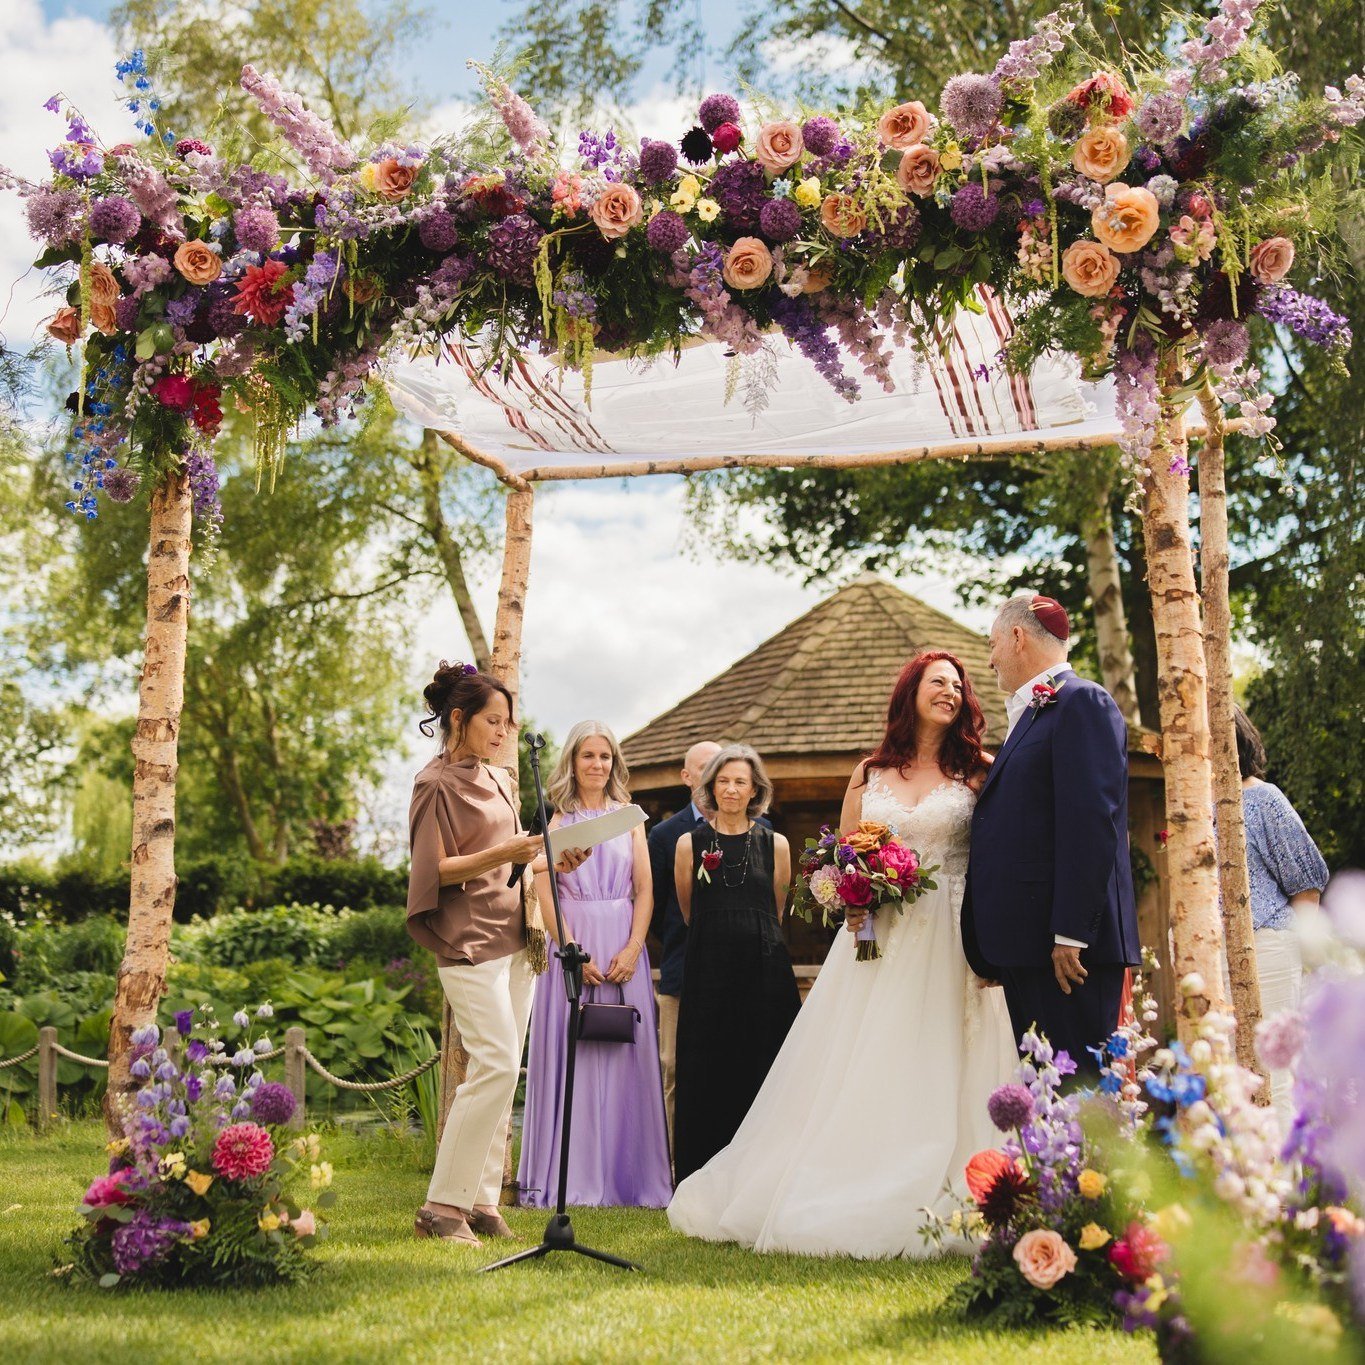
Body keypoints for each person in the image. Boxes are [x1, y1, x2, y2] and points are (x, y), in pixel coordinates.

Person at [668, 653, 1017, 1257]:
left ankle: (959, 1176)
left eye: (958, 685)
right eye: (938, 682)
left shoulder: (979, 772)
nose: (951, 692)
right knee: (866, 1051)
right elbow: (844, 854)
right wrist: (851, 899)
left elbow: (1001, 854)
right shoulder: (869, 772)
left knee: (944, 1047)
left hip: (953, 929)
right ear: (910, 693)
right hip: (878, 935)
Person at [405, 661, 586, 1245]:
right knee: (499, 1063)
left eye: (509, 722)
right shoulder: (433, 784)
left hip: (515, 937)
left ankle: (480, 1201)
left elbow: (512, 866)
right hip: (467, 940)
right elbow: (433, 871)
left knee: (501, 1073)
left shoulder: (502, 779)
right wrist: (506, 851)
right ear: (459, 718)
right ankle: (439, 1208)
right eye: (494, 721)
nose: (504, 731)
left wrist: (552, 859)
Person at [961, 593, 1141, 1077]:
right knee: (1046, 1095)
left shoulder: (1083, 702)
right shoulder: (1035, 712)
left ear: (1018, 637)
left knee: (1079, 1092)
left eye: (993, 644)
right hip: (1031, 946)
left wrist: (1071, 933)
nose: (991, 659)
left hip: (1066, 952)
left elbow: (1091, 823)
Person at [517, 721, 673, 1208]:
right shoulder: (555, 820)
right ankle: (570, 1176)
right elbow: (544, 889)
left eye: (605, 756)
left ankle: (630, 1178)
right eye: (588, 755)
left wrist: (634, 947)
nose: (597, 764)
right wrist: (568, 948)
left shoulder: (630, 818)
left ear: (614, 763)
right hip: (573, 941)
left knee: (625, 1056)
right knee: (573, 1056)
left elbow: (644, 888)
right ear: (572, 760)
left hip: (623, 943)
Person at [669, 745, 801, 1184]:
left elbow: (776, 907)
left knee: (763, 1065)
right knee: (708, 1067)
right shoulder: (688, 844)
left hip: (764, 972)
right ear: (710, 787)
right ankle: (702, 1175)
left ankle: (764, 1174)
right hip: (708, 971)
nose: (730, 789)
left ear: (754, 790)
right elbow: (688, 908)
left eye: (740, 781)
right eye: (723, 781)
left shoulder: (776, 844)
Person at [1230, 705, 1328, 1125]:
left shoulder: (1264, 799)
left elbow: (1307, 882)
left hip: (1268, 950)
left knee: (1275, 1076)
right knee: (1227, 1078)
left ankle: (1286, 1166)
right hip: (1213, 959)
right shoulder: (1190, 804)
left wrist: (1302, 959)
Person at [646, 740, 721, 1147]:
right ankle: (673, 1161)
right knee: (673, 1066)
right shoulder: (663, 835)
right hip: (681, 966)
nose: (713, 775)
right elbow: (655, 906)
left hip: (735, 970)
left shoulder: (760, 829)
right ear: (686, 776)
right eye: (705, 767)